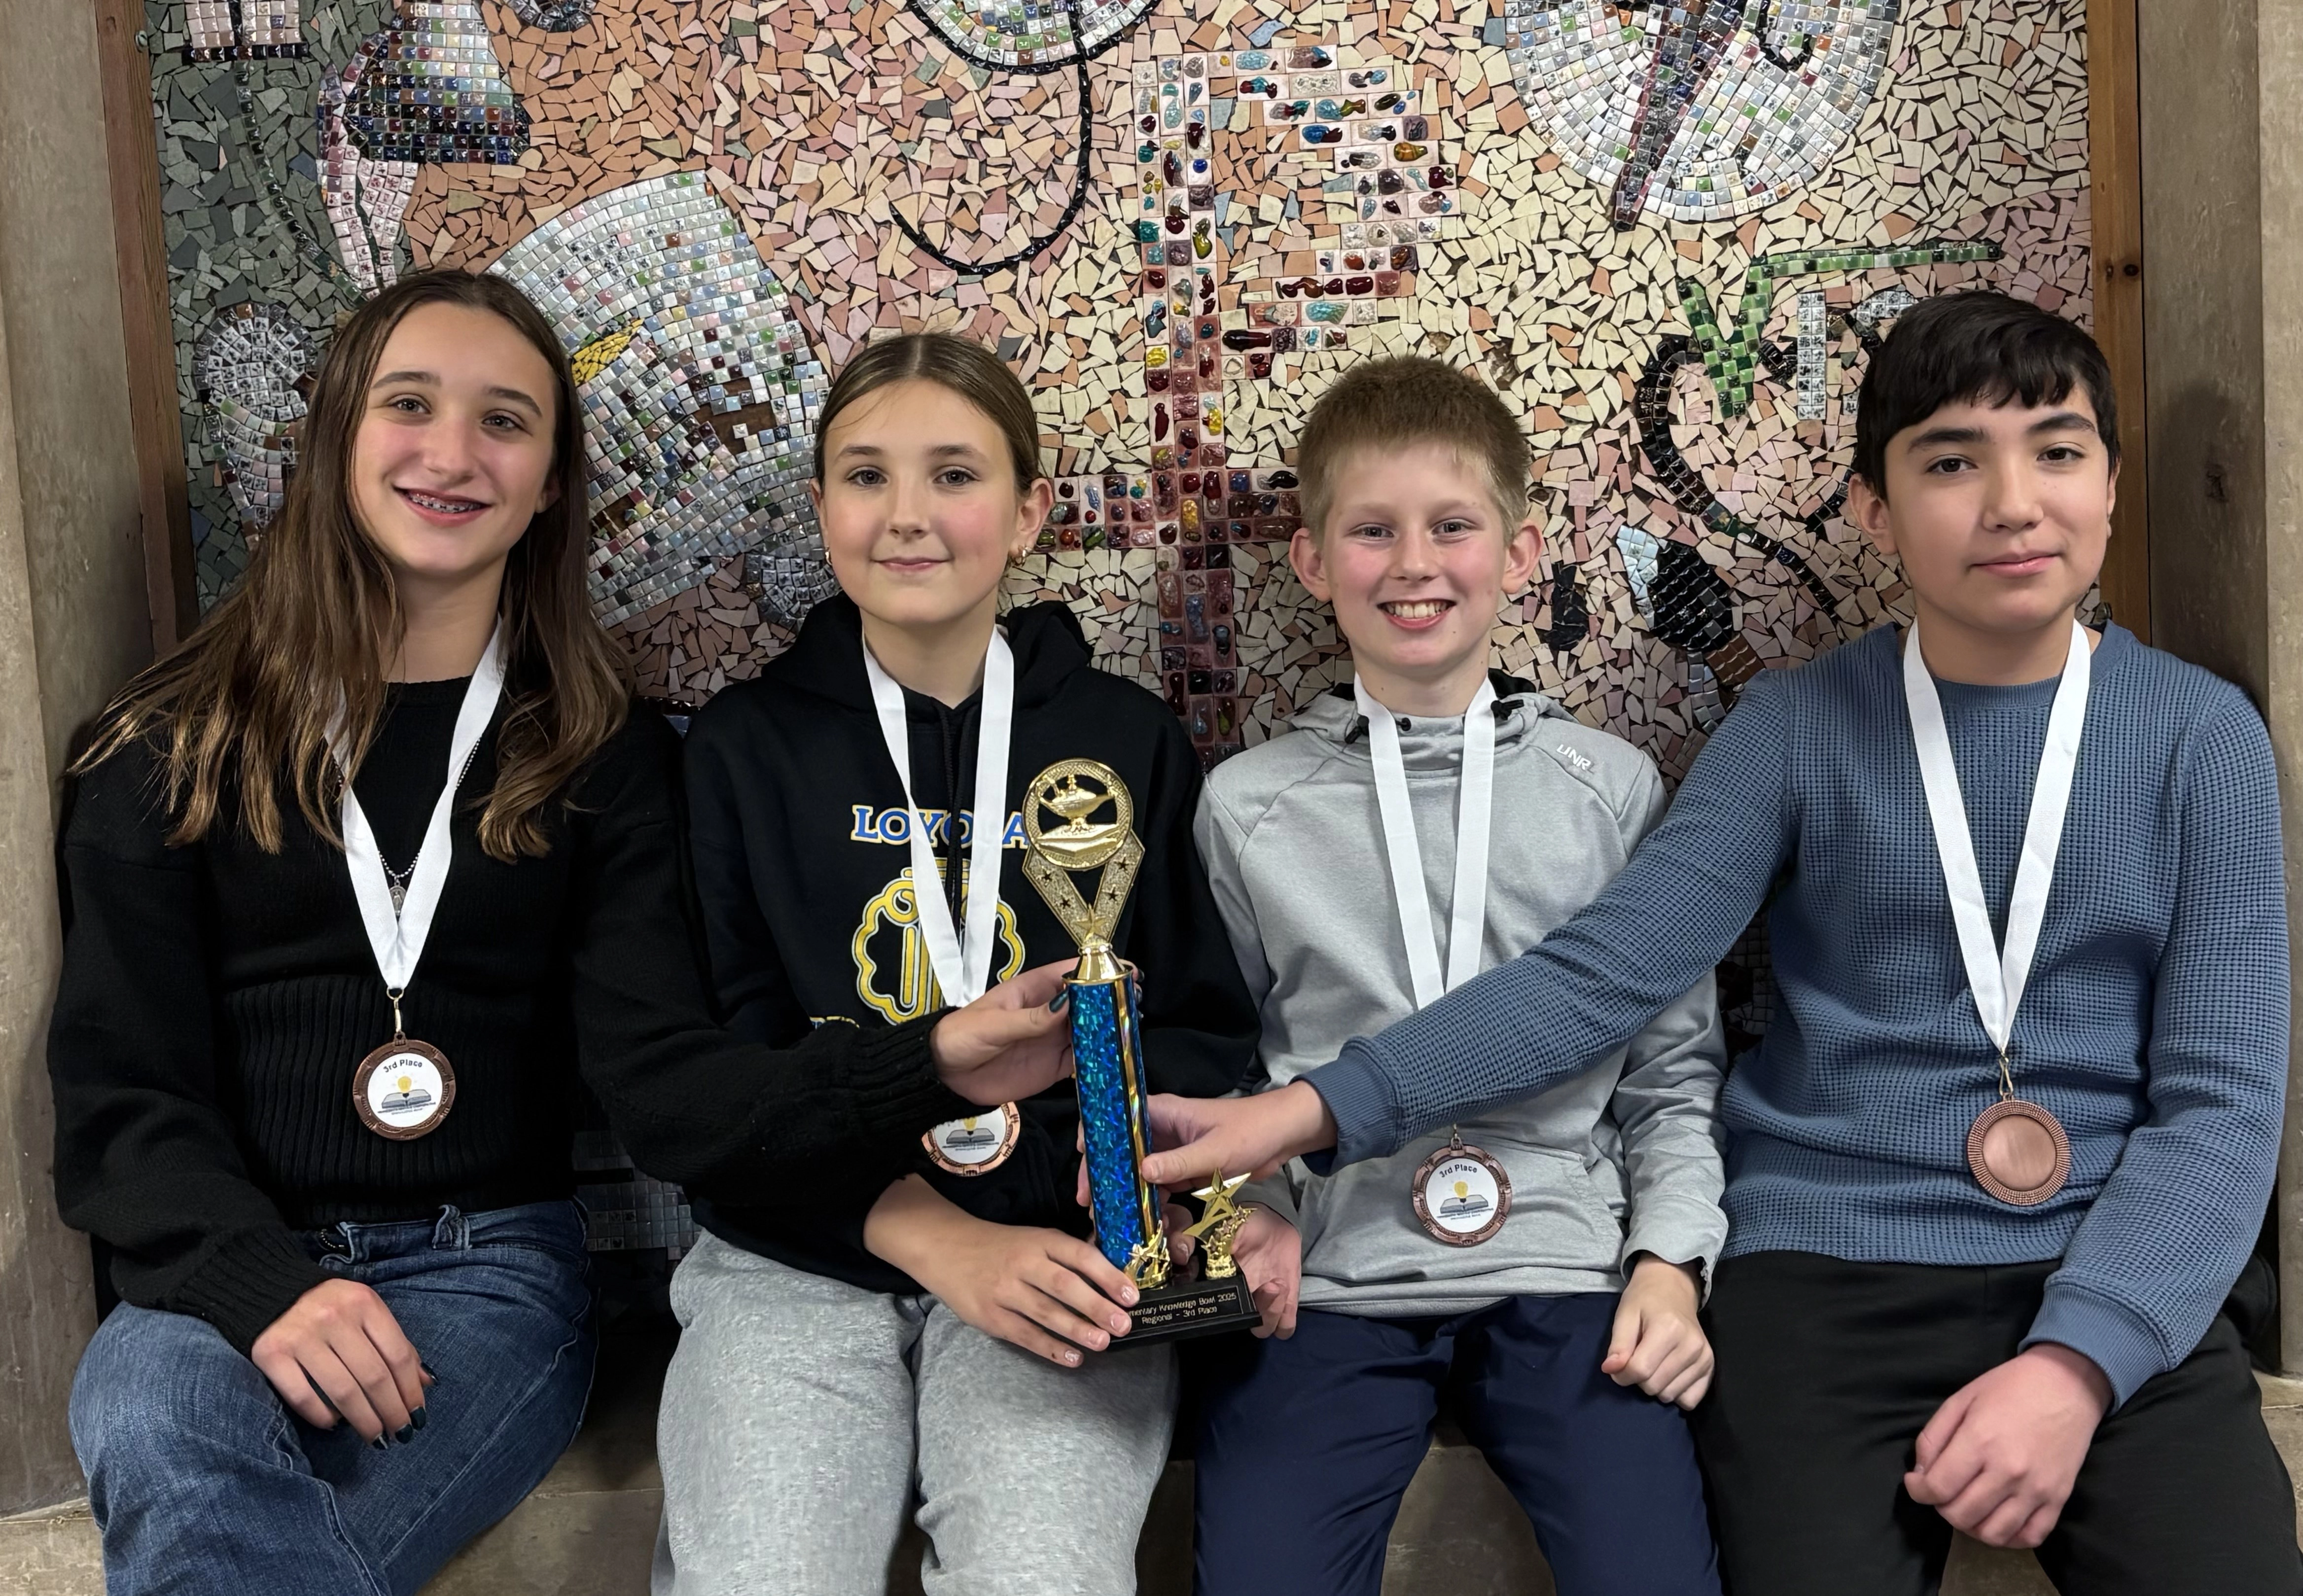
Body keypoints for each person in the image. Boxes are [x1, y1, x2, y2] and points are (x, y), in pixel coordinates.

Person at [1139, 292, 2303, 1596]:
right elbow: (1601, 976)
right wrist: (1303, 1114)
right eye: (1950, 461)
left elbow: (2219, 1103)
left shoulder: (2201, 739)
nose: (2011, 502)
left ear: (2107, 481)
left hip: (2112, 1264)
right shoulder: (1793, 729)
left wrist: (2076, 1360)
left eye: (2054, 449)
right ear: (1873, 511)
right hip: (1819, 1279)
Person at [50, 270, 1076, 1596]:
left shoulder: (599, 755)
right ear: (331, 439)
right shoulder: (163, 746)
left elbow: (668, 1086)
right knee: (162, 1436)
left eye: (506, 422)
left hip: (486, 1277)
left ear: (549, 485)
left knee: (216, 1558)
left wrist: (922, 1056)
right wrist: (260, 1283)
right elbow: (125, 1091)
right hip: (214, 1267)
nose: (452, 452)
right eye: (408, 404)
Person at [661, 331, 1260, 1596]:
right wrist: (930, 1236)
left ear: (1030, 509)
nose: (908, 516)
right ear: (821, 504)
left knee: (1041, 1578)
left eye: (954, 474)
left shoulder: (1118, 739)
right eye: (865, 476)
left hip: (1054, 1250)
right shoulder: (742, 749)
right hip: (793, 1253)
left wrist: (1147, 1182)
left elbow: (1200, 1024)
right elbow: (717, 1070)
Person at [1185, 356, 1727, 1596]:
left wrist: (1669, 1260)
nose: (1414, 563)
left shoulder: (1611, 789)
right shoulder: (1246, 805)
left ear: (1520, 552)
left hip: (1569, 1267)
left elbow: (1672, 1072)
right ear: (1316, 563)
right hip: (1332, 1277)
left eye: (1452, 527)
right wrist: (1260, 1209)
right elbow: (1230, 1052)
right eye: (1372, 531)